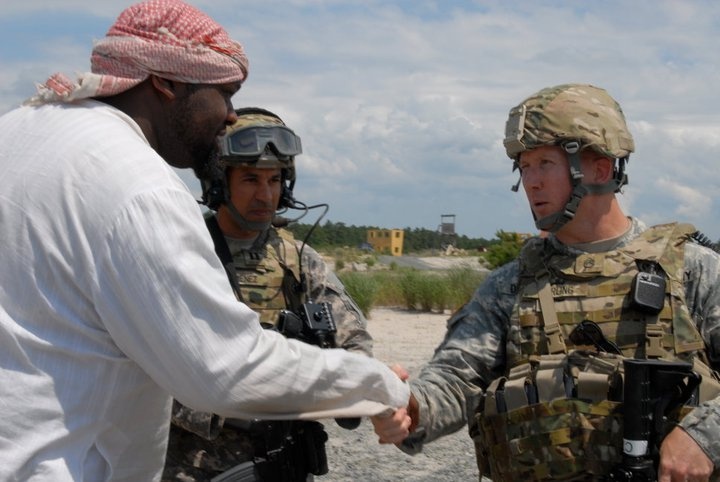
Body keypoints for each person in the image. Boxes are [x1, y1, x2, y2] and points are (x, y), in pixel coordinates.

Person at [0, 1, 410, 480]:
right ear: (166, 83)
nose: (231, 115)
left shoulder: (18, 133)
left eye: (275, 180)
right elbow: (226, 369)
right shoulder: (136, 184)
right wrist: (382, 387)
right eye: (225, 94)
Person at [372, 83, 720, 482]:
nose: (531, 182)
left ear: (601, 168)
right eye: (524, 166)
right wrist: (411, 407)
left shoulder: (689, 270)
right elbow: (458, 376)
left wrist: (703, 437)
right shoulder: (510, 285)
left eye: (545, 164)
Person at [162, 107, 374, 481]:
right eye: (250, 179)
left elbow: (352, 338)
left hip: (282, 462)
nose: (265, 194)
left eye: (274, 180)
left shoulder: (298, 260)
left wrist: (355, 383)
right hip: (197, 465)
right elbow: (150, 363)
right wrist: (229, 403)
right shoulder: (185, 253)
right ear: (220, 181)